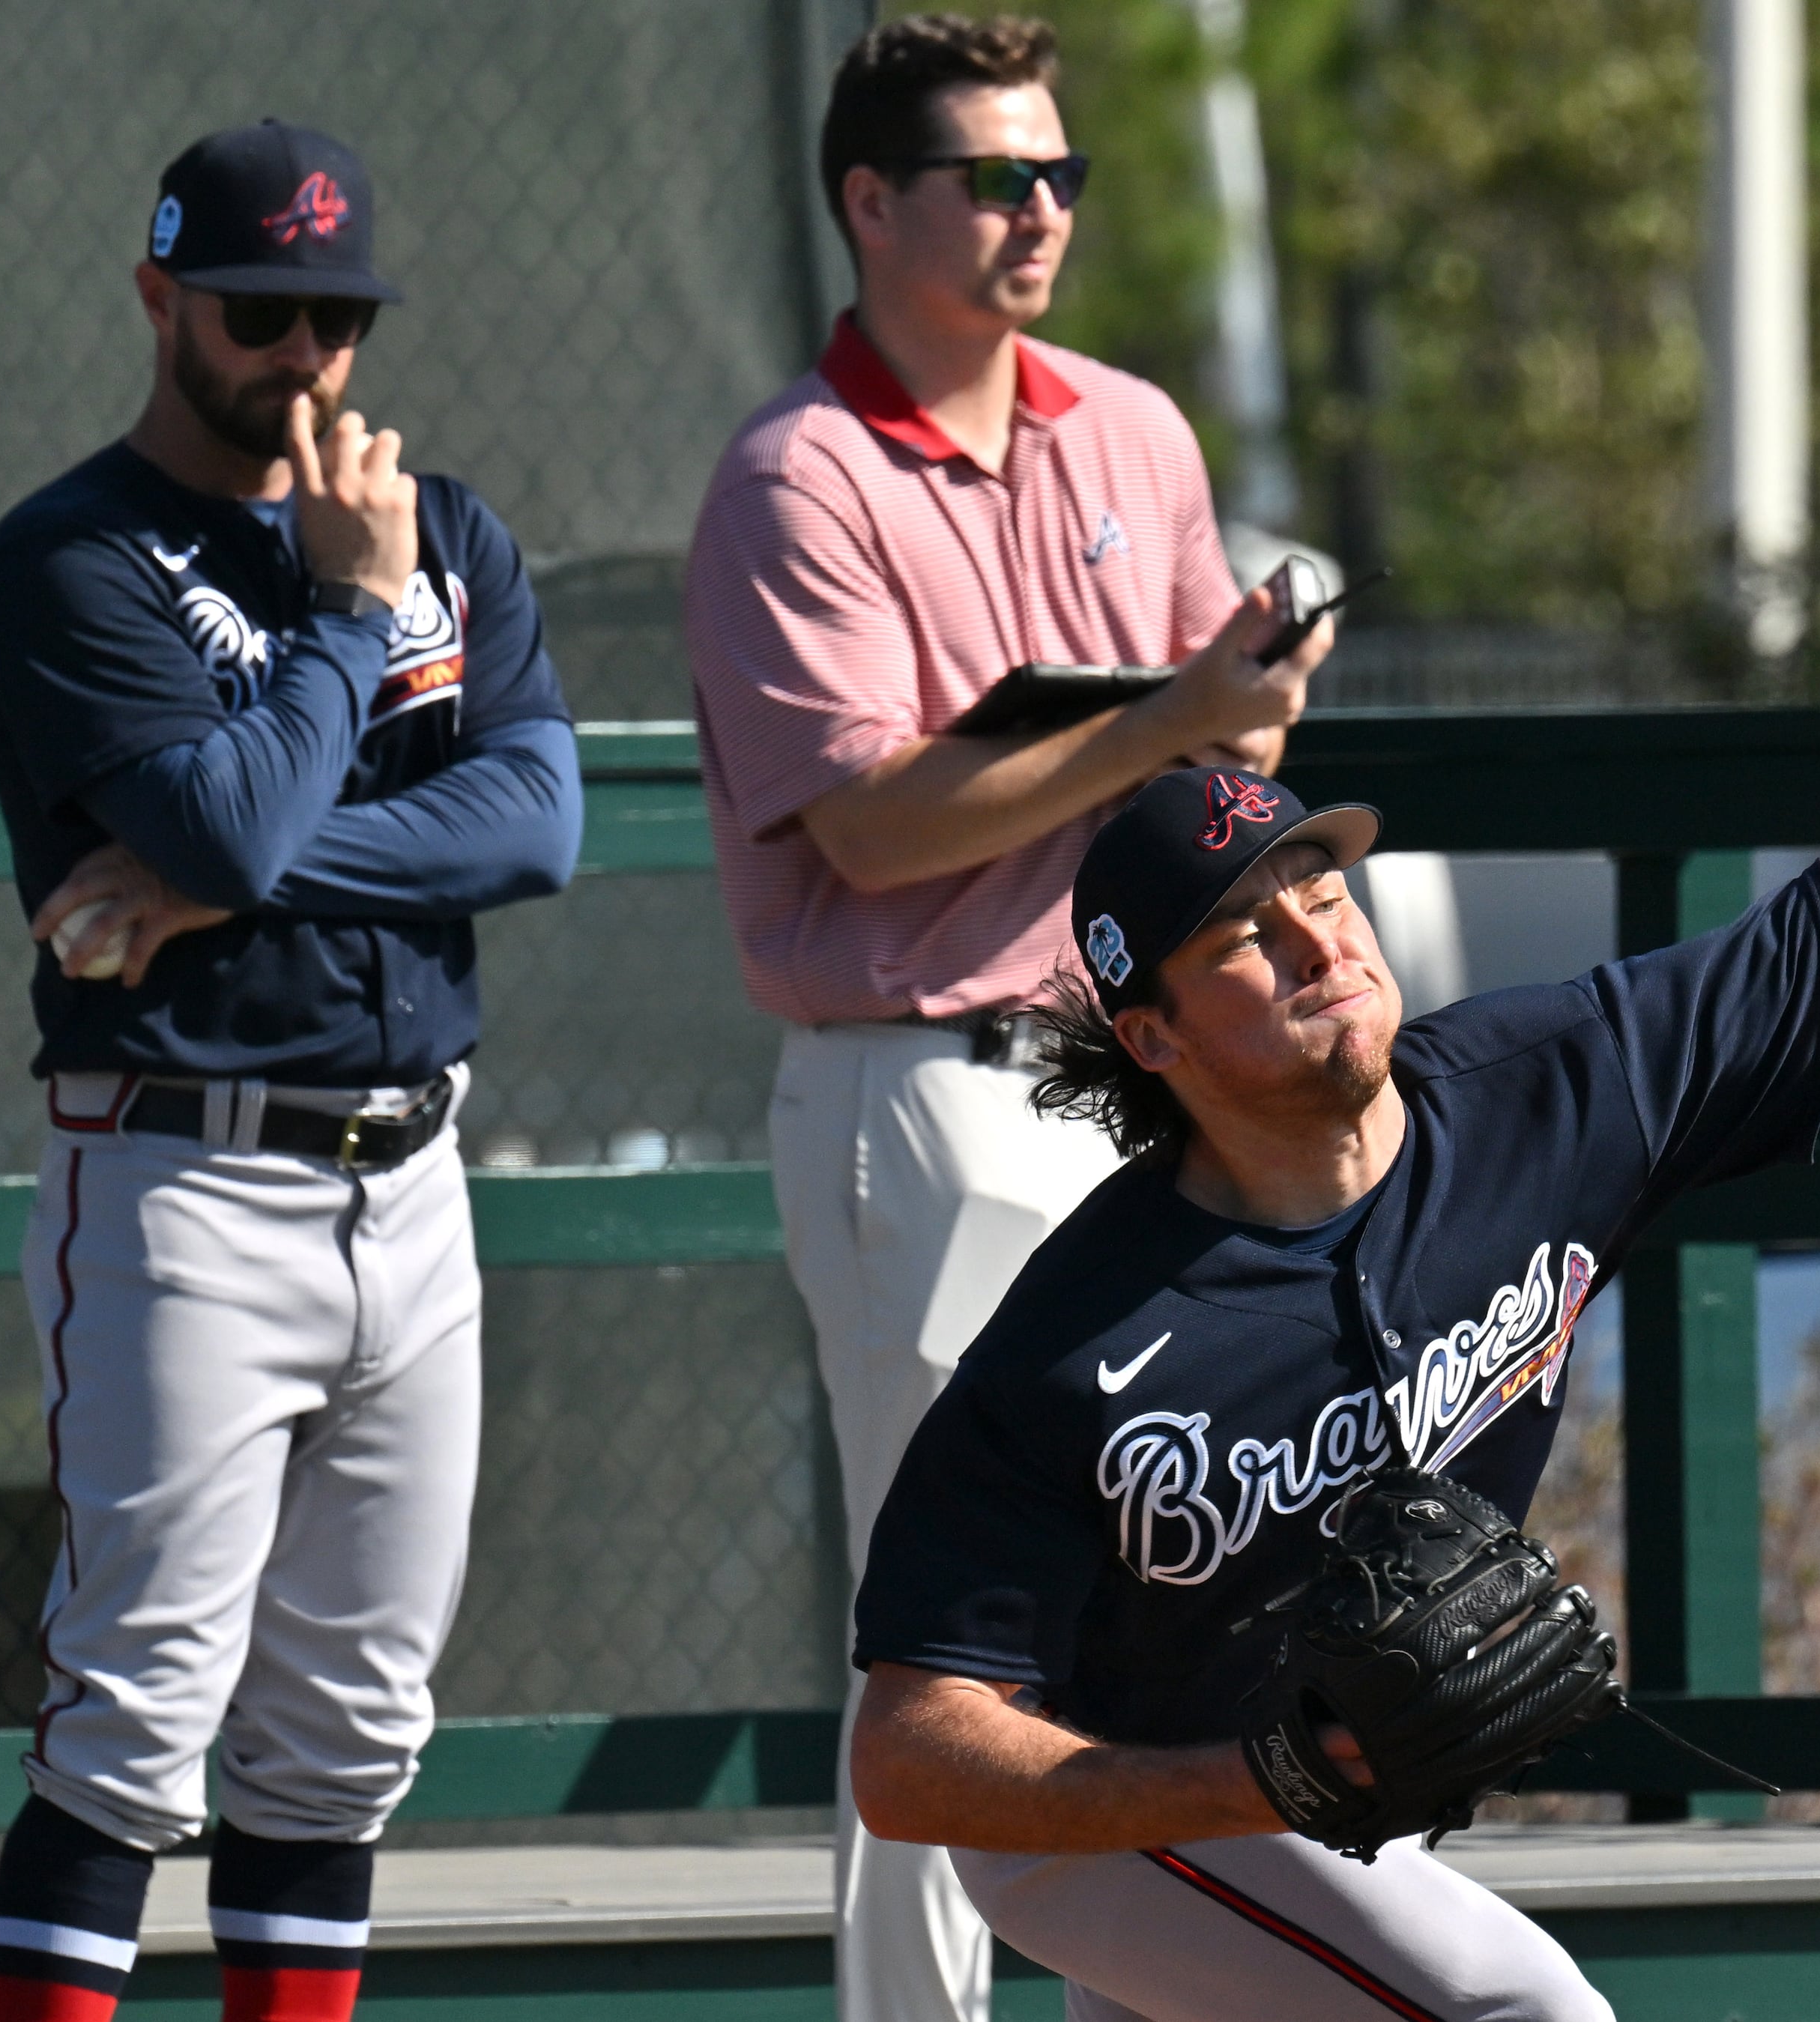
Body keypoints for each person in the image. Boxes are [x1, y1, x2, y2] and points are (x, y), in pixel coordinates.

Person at [843, 367, 1820, 2021]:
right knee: (1524, 2013)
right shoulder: (1086, 1340)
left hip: (1290, 1802)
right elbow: (914, 1756)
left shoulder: (1555, 1091)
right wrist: (1257, 1782)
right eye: (1247, 927)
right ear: (1150, 1030)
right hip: (1109, 1813)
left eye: (1319, 875)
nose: (1319, 932)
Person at [683, 17, 1335, 2021]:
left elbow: (1222, 753)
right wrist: (1163, 722)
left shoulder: (1132, 428)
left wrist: (1243, 715)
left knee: (1162, 1631)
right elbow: (875, 832)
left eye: (1061, 176)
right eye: (997, 178)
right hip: (932, 1090)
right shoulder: (796, 477)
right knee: (951, 1663)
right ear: (872, 203)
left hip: (1144, 1094)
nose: (1041, 211)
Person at [0, 121, 580, 2022]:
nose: (305, 353)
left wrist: (214, 875)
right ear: (161, 298)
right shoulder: (71, 562)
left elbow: (536, 823)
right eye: (259, 310)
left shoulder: (443, 523)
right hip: (183, 1183)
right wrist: (345, 622)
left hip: (419, 1178)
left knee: (346, 1739)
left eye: (337, 314)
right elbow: (223, 831)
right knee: (131, 1724)